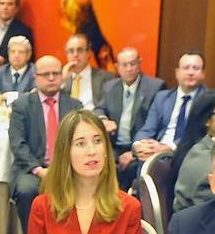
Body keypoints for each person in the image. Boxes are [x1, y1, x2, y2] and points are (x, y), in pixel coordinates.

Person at [25, 109, 141, 234]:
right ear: (65, 153)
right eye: (80, 143)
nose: (92, 151)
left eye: (98, 141)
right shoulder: (43, 206)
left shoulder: (129, 207)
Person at [8, 55, 81, 234]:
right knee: (26, 190)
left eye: (55, 73)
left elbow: (79, 142)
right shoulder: (22, 105)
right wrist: (40, 171)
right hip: (32, 169)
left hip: (68, 168)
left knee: (85, 186)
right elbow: (18, 144)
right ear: (35, 77)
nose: (51, 78)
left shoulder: (74, 105)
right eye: (45, 74)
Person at [93, 47, 163, 190]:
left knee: (131, 169)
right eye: (124, 65)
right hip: (114, 145)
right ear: (117, 67)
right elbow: (99, 109)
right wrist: (103, 119)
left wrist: (133, 152)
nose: (129, 68)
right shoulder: (109, 87)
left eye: (133, 64)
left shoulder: (155, 87)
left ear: (140, 63)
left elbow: (156, 124)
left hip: (139, 146)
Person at [132, 50, 206, 157]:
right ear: (177, 72)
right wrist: (139, 145)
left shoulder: (208, 100)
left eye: (196, 68)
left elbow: (198, 136)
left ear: (203, 73)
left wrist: (169, 148)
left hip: (187, 155)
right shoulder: (162, 97)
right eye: (186, 68)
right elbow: (148, 129)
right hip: (157, 153)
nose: (190, 72)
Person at [60, 33, 113, 113]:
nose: (75, 54)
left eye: (80, 50)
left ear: (89, 53)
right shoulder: (61, 79)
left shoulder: (106, 78)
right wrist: (62, 81)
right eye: (71, 51)